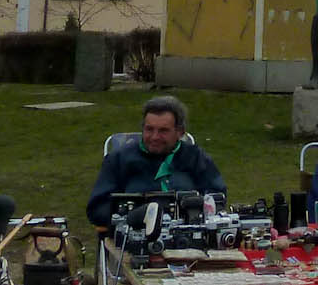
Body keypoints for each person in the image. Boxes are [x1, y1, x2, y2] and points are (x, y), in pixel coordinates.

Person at [85, 95, 227, 230]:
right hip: (134, 237)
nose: (154, 137)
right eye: (149, 129)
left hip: (188, 237)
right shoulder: (119, 159)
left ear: (180, 132)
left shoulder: (195, 157)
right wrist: (132, 216)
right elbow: (97, 208)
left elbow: (217, 197)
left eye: (163, 131)